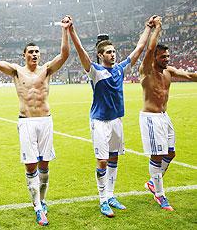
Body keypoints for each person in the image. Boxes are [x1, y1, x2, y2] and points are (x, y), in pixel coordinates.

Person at [0, 17, 71, 226]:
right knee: (31, 166)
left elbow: (64, 54)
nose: (34, 54)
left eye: (37, 52)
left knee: (45, 165)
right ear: (24, 55)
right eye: (30, 52)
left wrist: (65, 30)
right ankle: (38, 207)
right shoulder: (16, 70)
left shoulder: (47, 69)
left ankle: (42, 201)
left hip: (46, 121)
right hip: (27, 122)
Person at [68, 15, 155, 217]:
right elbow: (81, 51)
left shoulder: (120, 69)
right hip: (99, 121)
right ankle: (102, 201)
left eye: (114, 51)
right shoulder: (95, 71)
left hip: (116, 120)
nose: (113, 54)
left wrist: (147, 28)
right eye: (108, 52)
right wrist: (72, 30)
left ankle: (111, 195)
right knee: (102, 161)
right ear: (100, 55)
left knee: (114, 158)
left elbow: (139, 49)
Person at [138, 16, 196, 211]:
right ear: (154, 57)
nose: (167, 59)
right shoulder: (146, 70)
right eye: (163, 57)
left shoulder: (168, 71)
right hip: (151, 118)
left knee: (170, 153)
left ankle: (154, 182)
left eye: (168, 57)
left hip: (164, 117)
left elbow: (189, 75)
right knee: (157, 155)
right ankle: (160, 195)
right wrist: (158, 28)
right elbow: (148, 48)